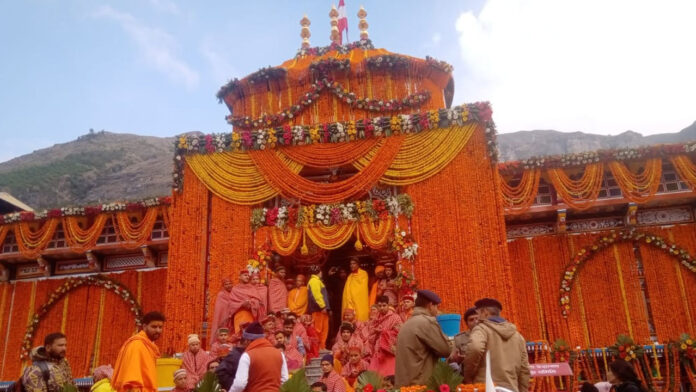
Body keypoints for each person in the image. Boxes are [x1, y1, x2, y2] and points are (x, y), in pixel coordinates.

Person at [462, 298, 530, 392]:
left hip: (486, 387)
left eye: (478, 313)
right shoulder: (517, 336)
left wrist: (468, 377)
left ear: (485, 312)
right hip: (511, 388)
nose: (478, 318)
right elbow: (524, 369)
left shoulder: (482, 330)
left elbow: (475, 348)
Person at [395, 290, 451, 387]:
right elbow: (446, 349)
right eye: (436, 307)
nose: (437, 311)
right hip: (420, 384)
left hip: (404, 385)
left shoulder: (407, 324)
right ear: (430, 305)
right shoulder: (426, 322)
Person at [112, 311, 165, 392]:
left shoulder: (146, 345)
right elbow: (132, 380)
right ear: (144, 326)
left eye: (160, 327)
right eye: (154, 327)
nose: (158, 330)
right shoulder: (137, 345)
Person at [229, 322, 289, 392]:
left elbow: (239, 384)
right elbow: (285, 380)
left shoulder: (247, 356)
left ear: (248, 340)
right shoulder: (279, 354)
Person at [368, 295, 403, 376]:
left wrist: (384, 332)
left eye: (384, 305)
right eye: (379, 306)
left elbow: (400, 333)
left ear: (388, 305)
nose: (382, 308)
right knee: (375, 377)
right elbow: (370, 333)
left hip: (389, 352)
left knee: (389, 376)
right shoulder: (375, 318)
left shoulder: (395, 318)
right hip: (378, 350)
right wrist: (375, 332)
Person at [308, 265, 331, 349]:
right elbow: (317, 295)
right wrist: (322, 307)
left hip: (321, 310)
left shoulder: (317, 281)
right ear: (319, 272)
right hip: (318, 310)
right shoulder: (314, 281)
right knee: (318, 329)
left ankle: (322, 346)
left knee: (324, 329)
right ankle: (318, 348)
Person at [342, 257, 370, 322]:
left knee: (361, 318)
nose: (352, 265)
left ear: (358, 264)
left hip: (360, 301)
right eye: (351, 264)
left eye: (354, 263)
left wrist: (355, 297)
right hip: (350, 302)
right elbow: (347, 291)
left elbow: (362, 289)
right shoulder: (350, 276)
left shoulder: (363, 274)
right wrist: (349, 300)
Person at [211, 278, 235, 342]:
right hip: (224, 319)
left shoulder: (235, 294)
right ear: (223, 286)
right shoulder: (221, 295)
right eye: (226, 284)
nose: (229, 285)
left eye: (230, 283)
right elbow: (221, 308)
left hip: (234, 318)